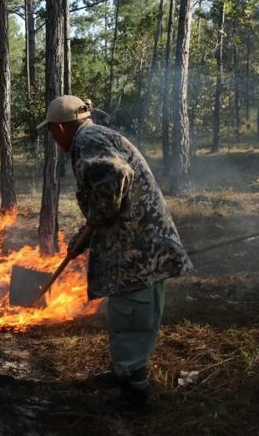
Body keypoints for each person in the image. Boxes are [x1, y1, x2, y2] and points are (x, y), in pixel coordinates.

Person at [41, 95, 193, 416]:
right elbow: (109, 192)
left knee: (134, 315)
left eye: (52, 133)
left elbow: (115, 174)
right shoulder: (94, 137)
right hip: (133, 243)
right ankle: (126, 372)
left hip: (139, 248)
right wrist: (85, 234)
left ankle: (135, 395)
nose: (54, 139)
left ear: (59, 128)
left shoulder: (90, 140)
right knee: (127, 312)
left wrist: (98, 215)